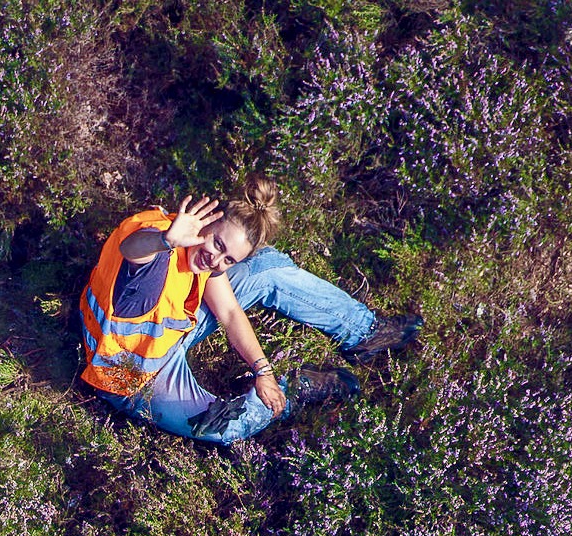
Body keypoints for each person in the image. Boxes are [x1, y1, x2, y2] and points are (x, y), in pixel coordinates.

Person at [77, 186, 417, 447]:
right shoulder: (157, 259)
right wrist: (166, 240)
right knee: (228, 426)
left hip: (168, 332)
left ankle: (365, 332)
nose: (217, 261)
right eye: (218, 245)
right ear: (206, 224)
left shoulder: (202, 253)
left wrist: (263, 370)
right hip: (133, 376)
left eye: (229, 259)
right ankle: (292, 392)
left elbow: (229, 312)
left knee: (266, 266)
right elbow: (133, 251)